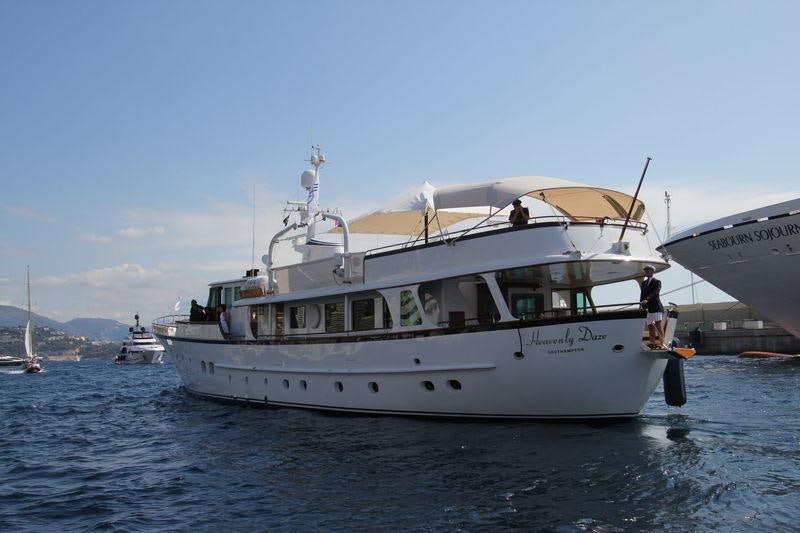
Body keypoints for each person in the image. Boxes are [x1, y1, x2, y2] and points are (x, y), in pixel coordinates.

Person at [639, 265, 664, 348]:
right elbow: (642, 294)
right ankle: (652, 343)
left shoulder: (657, 282)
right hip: (648, 308)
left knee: (658, 324)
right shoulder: (644, 283)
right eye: (645, 270)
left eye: (648, 270)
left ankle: (662, 342)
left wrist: (647, 299)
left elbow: (655, 293)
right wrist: (641, 304)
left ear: (652, 271)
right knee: (650, 326)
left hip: (656, 307)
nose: (646, 272)